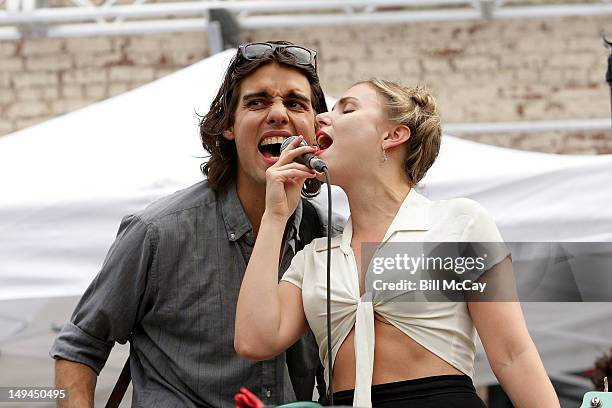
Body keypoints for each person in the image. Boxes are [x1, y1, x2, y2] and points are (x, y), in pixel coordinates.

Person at [49, 41, 343, 408]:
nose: (278, 114)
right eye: (257, 102)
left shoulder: (333, 239)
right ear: (228, 127)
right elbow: (79, 348)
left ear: (318, 131)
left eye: (296, 103)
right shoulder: (157, 232)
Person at [234, 79, 561, 407]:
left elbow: (513, 356)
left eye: (347, 108)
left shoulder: (459, 223)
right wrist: (275, 217)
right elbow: (253, 340)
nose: (320, 118)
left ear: (393, 135)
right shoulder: (315, 257)